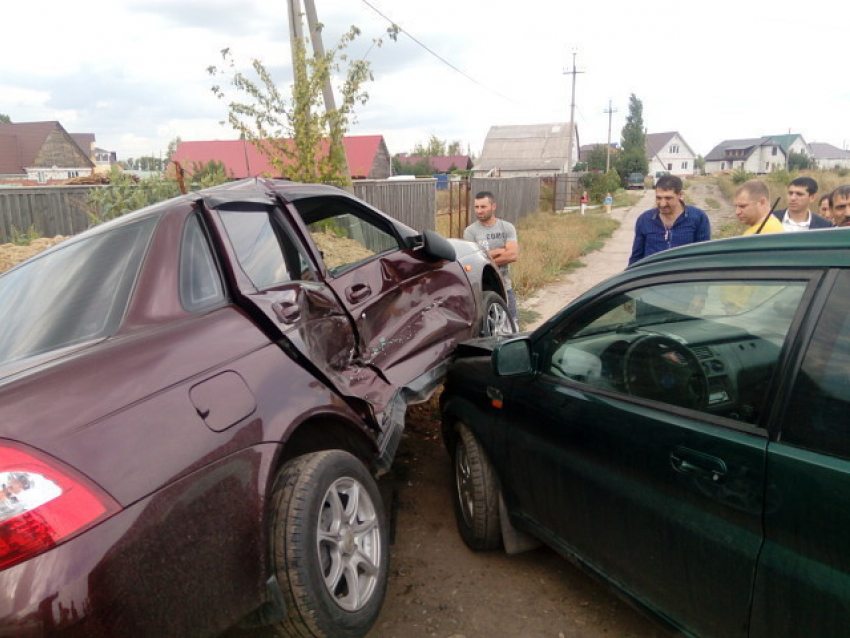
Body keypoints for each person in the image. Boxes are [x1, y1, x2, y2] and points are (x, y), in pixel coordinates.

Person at [628, 174, 710, 265]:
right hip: (653, 277)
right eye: (658, 198)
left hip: (685, 277)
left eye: (668, 198)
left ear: (680, 195)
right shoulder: (644, 220)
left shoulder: (698, 218)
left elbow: (703, 257)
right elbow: (636, 258)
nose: (662, 204)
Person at [464, 191, 519, 325]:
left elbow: (512, 254)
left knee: (512, 325)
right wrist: (500, 251)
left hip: (505, 286)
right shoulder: (470, 232)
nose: (479, 211)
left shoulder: (506, 227)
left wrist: (485, 256)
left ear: (493, 206)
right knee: (488, 329)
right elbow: (473, 260)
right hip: (482, 290)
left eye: (483, 207)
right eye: (476, 207)